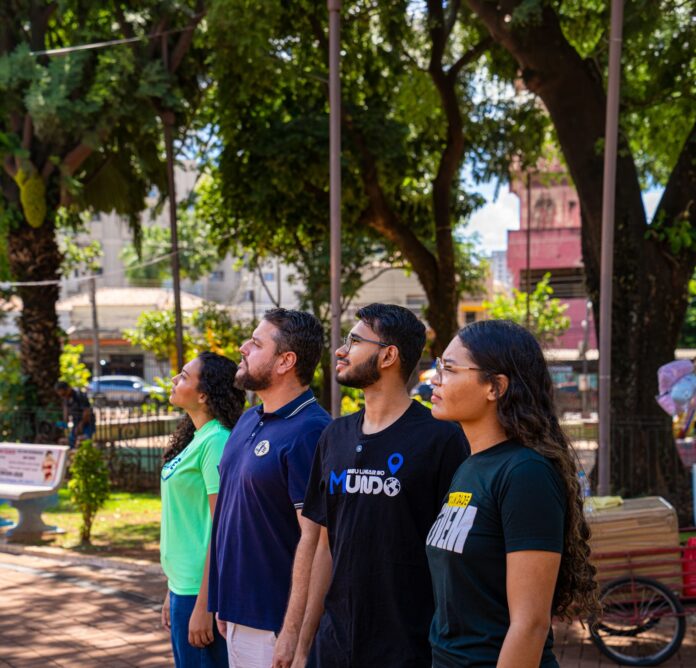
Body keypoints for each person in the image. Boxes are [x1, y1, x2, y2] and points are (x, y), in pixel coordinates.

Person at [292, 303, 469, 668]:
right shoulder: (334, 436)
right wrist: (303, 643)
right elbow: (324, 545)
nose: (340, 350)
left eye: (355, 341)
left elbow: (457, 557)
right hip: (334, 646)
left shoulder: (442, 440)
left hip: (408, 648)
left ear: (389, 355)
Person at [425, 320, 600, 667]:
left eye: (449, 369)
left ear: (495, 386)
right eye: (439, 366)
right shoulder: (470, 466)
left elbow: (530, 625)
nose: (435, 379)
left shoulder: (525, 473)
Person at [208, 308, 331, 668]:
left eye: (256, 343)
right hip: (237, 613)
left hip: (274, 625)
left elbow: (317, 542)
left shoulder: (311, 431)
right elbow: (229, 516)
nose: (243, 348)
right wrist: (221, 599)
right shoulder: (249, 418)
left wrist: (294, 632)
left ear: (285, 361)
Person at [160, 352, 246, 668]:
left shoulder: (216, 441)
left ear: (203, 395)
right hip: (184, 585)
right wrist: (172, 588)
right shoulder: (198, 438)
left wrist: (204, 605)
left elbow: (222, 528)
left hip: (200, 590)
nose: (174, 379)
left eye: (184, 376)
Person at [55, 381, 95, 448]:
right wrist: (65, 422)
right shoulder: (67, 398)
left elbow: (87, 412)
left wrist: (81, 425)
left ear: (68, 388)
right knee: (72, 442)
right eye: (62, 395)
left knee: (84, 443)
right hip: (76, 423)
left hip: (87, 423)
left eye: (64, 394)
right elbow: (66, 411)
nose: (63, 396)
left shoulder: (79, 395)